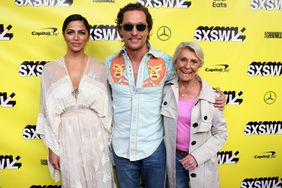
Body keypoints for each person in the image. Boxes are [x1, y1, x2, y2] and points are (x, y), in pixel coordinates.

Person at [105, 3, 226, 188]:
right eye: (128, 26)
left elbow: (187, 76)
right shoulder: (109, 63)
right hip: (121, 150)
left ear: (149, 30)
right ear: (120, 30)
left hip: (155, 149)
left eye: (141, 26)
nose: (134, 32)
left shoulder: (165, 62)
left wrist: (214, 95)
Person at [36, 14, 116, 188]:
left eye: (81, 32)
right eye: (71, 32)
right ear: (64, 35)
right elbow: (48, 113)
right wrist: (52, 148)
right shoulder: (50, 69)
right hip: (67, 138)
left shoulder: (101, 68)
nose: (76, 37)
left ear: (88, 36)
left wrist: (107, 146)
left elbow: (107, 112)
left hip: (96, 137)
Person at [162, 42, 228, 188]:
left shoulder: (213, 96)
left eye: (194, 61)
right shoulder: (165, 90)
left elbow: (221, 134)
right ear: (175, 62)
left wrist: (196, 157)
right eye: (183, 59)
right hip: (173, 160)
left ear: (199, 65)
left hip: (202, 162)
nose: (187, 66)